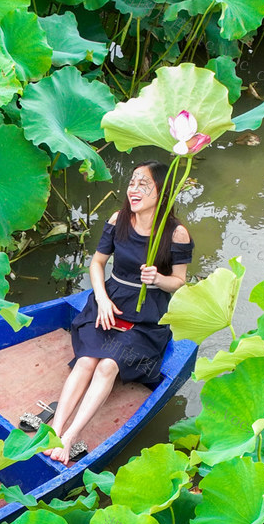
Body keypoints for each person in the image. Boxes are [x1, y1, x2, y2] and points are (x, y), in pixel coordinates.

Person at [45, 161, 193, 464]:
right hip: (108, 302)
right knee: (86, 360)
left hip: (146, 316)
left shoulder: (176, 234)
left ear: (162, 193)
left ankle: (71, 436)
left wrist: (158, 279)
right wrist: (100, 298)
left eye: (144, 184)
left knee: (108, 365)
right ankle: (53, 431)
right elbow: (97, 263)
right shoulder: (118, 219)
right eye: (132, 181)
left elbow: (179, 281)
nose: (133, 189)